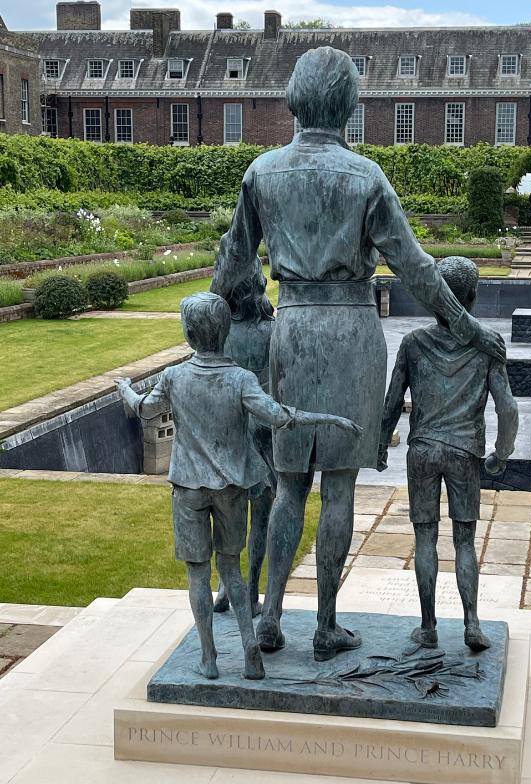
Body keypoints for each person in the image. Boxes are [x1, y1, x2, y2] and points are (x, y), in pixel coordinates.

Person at [210, 46, 505, 663]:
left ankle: (269, 617)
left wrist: (211, 341)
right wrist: (470, 328)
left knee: (291, 485)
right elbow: (419, 272)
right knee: (338, 486)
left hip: (290, 329)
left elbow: (231, 269)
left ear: (295, 100)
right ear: (349, 104)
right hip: (349, 331)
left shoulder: (261, 172)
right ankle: (324, 624)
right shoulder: (366, 176)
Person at [116, 292, 360, 680]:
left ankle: (209, 657)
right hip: (231, 488)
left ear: (189, 333)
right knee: (231, 568)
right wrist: (331, 419)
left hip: (189, 489)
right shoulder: (240, 379)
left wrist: (125, 388)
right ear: (225, 332)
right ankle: (249, 646)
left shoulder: (174, 377)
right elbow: (281, 416)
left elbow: (144, 409)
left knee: (198, 573)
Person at [378, 257, 518, 651]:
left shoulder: (413, 343)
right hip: (464, 452)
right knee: (464, 541)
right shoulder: (486, 345)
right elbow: (507, 408)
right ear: (471, 299)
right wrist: (501, 455)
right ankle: (471, 623)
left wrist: (379, 446)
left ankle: (428, 626)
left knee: (425, 538)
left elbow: (391, 403)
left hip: (423, 450)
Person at [214, 258, 276, 618]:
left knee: (227, 516)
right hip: (262, 433)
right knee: (262, 519)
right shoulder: (271, 330)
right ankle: (251, 590)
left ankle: (226, 586)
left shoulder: (218, 333)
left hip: (228, 433)